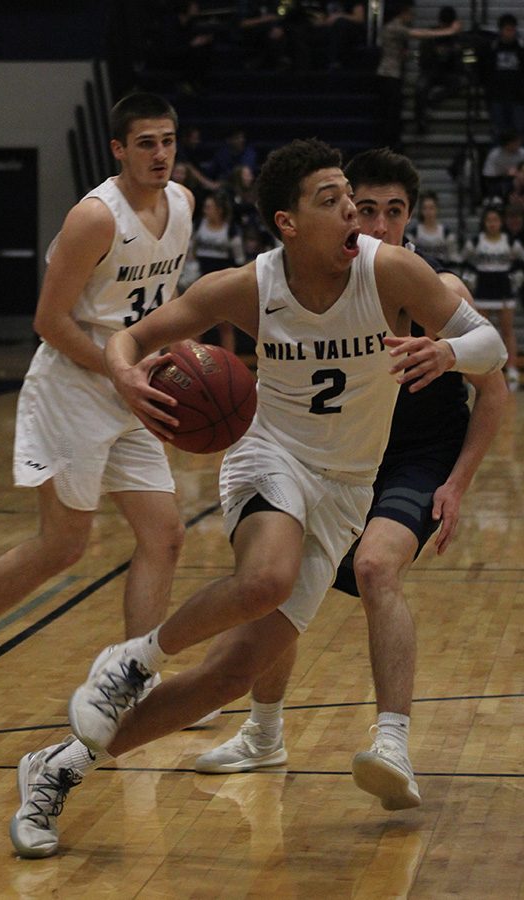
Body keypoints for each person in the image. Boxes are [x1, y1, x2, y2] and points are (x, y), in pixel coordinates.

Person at [9, 138, 506, 858]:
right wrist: (124, 377)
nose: (351, 214)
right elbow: (133, 338)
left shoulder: (391, 270)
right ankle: (135, 661)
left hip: (345, 488)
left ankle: (56, 768)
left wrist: (450, 352)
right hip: (269, 454)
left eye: (351, 198)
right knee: (267, 575)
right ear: (288, 223)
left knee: (230, 674)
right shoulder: (249, 286)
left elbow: (490, 344)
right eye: (331, 200)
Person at [193, 149, 508, 811]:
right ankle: (263, 733)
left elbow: (495, 391)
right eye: (367, 209)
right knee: (273, 587)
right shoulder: (308, 280)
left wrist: (457, 483)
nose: (382, 223)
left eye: (396, 211)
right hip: (327, 459)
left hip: (415, 460)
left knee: (375, 569)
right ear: (341, 212)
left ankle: (392, 742)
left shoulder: (433, 288)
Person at [0, 92, 193, 725]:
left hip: (131, 384)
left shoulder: (180, 204)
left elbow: (157, 306)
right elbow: (49, 322)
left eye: (169, 141)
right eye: (146, 143)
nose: (160, 154)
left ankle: (133, 681)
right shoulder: (95, 218)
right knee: (64, 544)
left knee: (166, 533)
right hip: (73, 388)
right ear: (119, 150)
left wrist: (172, 358)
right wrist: (119, 370)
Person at [376, 0, 461, 151]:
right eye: (410, 13)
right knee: (390, 114)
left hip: (396, 73)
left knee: (394, 114)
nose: (413, 16)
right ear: (404, 12)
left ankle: (391, 144)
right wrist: (449, 31)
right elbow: (419, 35)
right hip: (389, 74)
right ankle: (389, 145)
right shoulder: (394, 27)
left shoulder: (396, 27)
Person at [462, 203, 524, 391]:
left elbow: (520, 263)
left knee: (507, 330)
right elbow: (466, 262)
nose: (492, 224)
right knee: (480, 332)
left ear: (501, 222)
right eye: (489, 220)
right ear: (484, 222)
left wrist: (516, 279)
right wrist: (469, 279)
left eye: (495, 220)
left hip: (503, 290)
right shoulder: (475, 242)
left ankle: (511, 368)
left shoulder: (511, 242)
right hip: (482, 290)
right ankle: (479, 368)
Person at [192, 190, 246, 353]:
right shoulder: (199, 225)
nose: (205, 210)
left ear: (219, 209)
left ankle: (230, 362)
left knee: (225, 325)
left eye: (209, 207)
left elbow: (239, 260)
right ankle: (194, 362)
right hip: (201, 279)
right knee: (195, 324)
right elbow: (191, 250)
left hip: (223, 281)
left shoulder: (231, 230)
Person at [413, 5, 463, 134]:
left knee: (458, 83)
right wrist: (435, 54)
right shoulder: (432, 34)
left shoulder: (455, 38)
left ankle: (432, 100)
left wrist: (454, 52)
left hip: (448, 72)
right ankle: (420, 122)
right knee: (420, 88)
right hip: (430, 71)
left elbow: (460, 62)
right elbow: (423, 59)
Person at [477, 13, 524, 142]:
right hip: (497, 97)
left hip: (517, 98)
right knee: (498, 132)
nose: (510, 33)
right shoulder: (491, 49)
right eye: (507, 30)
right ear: (500, 30)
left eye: (512, 30)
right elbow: (483, 71)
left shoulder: (520, 50)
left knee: (518, 131)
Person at [407, 189, 460, 267]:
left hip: (441, 271)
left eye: (431, 208)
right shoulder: (414, 233)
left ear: (437, 209)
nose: (428, 212)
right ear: (421, 210)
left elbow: (453, 258)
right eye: (425, 208)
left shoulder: (446, 233)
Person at [481, 130, 524, 203]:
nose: (518, 144)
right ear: (507, 144)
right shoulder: (495, 155)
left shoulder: (522, 152)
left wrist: (517, 173)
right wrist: (507, 174)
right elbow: (488, 176)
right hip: (499, 181)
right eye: (515, 143)